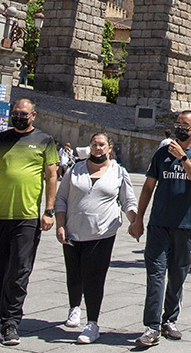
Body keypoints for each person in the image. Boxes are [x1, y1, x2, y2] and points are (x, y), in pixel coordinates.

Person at [0, 97, 59, 346]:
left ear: (34, 115)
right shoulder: (0, 140)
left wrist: (49, 211)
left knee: (19, 271)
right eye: (15, 113)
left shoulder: (45, 140)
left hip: (28, 217)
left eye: (23, 113)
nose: (19, 117)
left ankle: (11, 322)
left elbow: (52, 176)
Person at [130, 110, 191, 347]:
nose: (180, 128)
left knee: (178, 276)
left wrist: (183, 158)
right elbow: (148, 187)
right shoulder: (161, 153)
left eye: (185, 125)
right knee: (155, 274)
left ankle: (170, 320)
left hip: (185, 225)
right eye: (178, 123)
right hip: (158, 223)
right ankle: (151, 326)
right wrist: (138, 220)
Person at [55, 132, 137, 344]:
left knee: (94, 277)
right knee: (74, 274)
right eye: (94, 145)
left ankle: (92, 323)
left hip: (102, 233)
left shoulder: (118, 172)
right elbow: (61, 198)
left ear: (110, 147)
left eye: (101, 145)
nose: (97, 148)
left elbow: (128, 201)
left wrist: (134, 221)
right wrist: (60, 224)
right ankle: (74, 307)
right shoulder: (75, 169)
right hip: (74, 230)